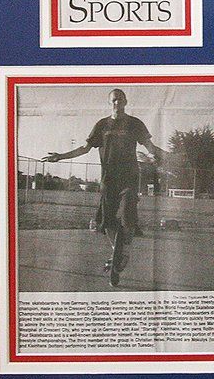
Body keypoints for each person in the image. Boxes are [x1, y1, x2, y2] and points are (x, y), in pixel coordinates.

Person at [42, 86, 166, 288]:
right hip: (108, 179)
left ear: (126, 102)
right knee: (106, 221)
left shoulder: (134, 124)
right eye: (114, 99)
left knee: (127, 215)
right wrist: (60, 156)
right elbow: (85, 149)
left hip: (129, 177)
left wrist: (166, 156)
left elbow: (150, 147)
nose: (117, 102)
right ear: (110, 103)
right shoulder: (102, 125)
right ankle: (117, 252)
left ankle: (124, 252)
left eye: (120, 99)